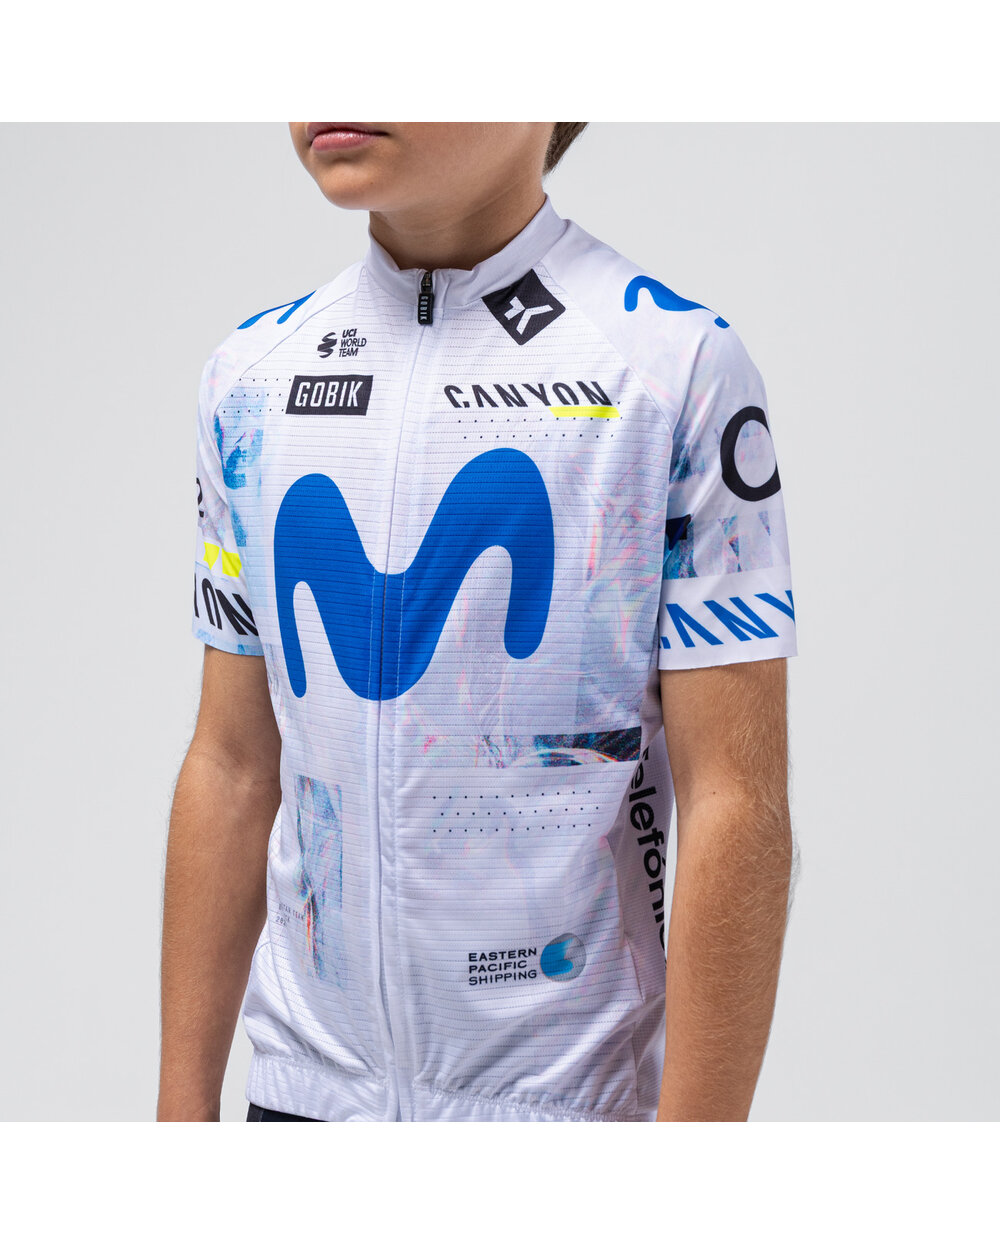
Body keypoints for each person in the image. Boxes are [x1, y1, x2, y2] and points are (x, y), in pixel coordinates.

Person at [157, 122, 797, 1124]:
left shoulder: (672, 368)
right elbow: (233, 766)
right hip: (303, 1101)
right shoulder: (251, 378)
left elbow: (736, 802)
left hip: (567, 1112)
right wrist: (177, 1122)